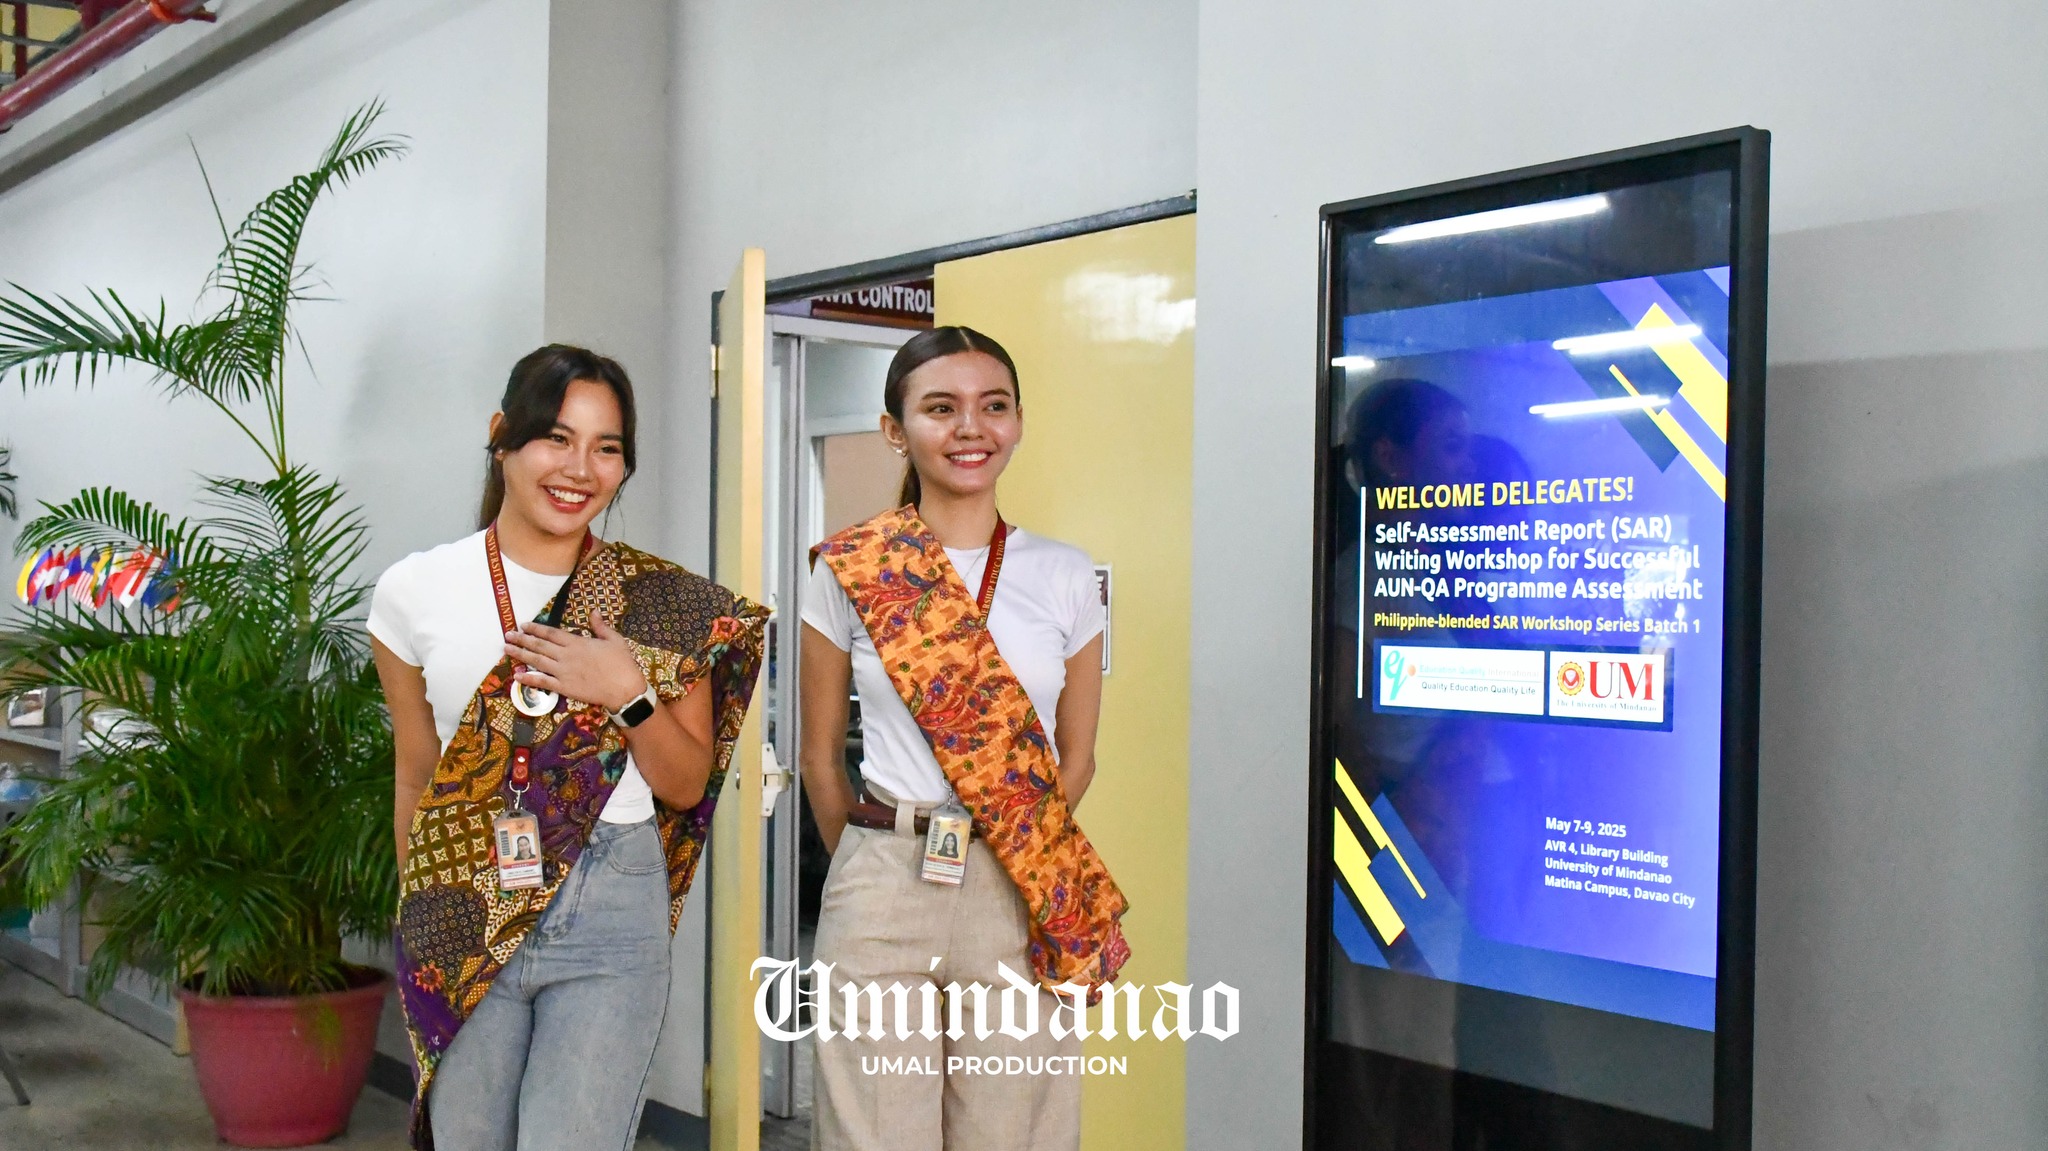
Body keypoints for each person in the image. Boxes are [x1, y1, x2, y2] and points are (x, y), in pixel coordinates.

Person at [369, 344, 767, 1151]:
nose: (579, 467)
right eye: (557, 436)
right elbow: (415, 770)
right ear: (501, 437)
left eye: (607, 446)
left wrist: (628, 690)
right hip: (466, 892)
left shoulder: (663, 604)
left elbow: (687, 785)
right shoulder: (413, 591)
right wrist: (424, 906)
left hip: (613, 898)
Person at [801, 326, 1130, 1151]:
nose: (970, 428)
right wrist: (883, 852)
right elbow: (817, 757)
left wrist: (1006, 834)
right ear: (895, 428)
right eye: (940, 408)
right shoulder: (851, 567)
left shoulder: (1064, 574)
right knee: (873, 1132)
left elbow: (1078, 753)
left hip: (1016, 877)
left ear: (1018, 421)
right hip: (881, 873)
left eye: (994, 406)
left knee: (1009, 1129)